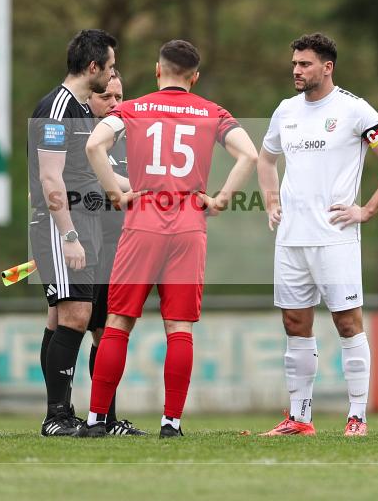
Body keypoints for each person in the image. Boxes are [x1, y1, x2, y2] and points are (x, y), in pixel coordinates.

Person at [78, 39, 257, 438]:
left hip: (143, 220)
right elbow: (249, 155)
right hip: (189, 224)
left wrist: (116, 193)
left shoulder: (134, 107)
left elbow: (94, 145)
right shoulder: (213, 112)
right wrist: (221, 199)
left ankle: (95, 420)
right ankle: (171, 423)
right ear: (195, 77)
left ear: (158, 71)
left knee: (118, 321)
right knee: (179, 327)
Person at [256, 33, 378, 437]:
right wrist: (271, 200)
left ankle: (357, 417)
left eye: (304, 64)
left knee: (347, 323)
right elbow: (266, 158)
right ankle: (299, 418)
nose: (296, 70)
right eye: (294, 63)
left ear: (327, 68)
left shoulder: (354, 110)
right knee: (294, 323)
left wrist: (367, 209)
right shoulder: (286, 110)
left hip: (335, 238)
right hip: (291, 239)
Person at [29, 29, 117, 436]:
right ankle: (56, 416)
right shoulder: (58, 107)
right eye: (110, 67)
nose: (113, 75)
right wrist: (68, 235)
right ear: (93, 66)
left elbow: (90, 173)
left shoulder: (81, 108)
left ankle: (63, 413)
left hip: (88, 221)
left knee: (69, 316)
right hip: (64, 223)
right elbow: (51, 178)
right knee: (75, 315)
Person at [84, 70, 146, 436]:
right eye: (106, 97)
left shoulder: (131, 137)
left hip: (122, 247)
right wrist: (146, 186)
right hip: (88, 244)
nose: (114, 104)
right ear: (89, 97)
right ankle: (59, 415)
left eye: (119, 97)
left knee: (106, 331)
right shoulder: (83, 135)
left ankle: (106, 418)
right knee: (70, 326)